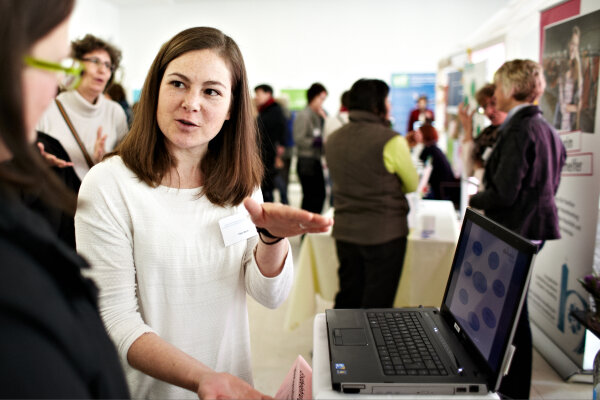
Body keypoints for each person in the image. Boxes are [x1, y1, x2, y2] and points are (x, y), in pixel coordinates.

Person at [75, 27, 333, 399]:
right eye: (178, 84)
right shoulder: (109, 185)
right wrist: (202, 378)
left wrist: (271, 237)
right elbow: (115, 318)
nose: (191, 103)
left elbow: (269, 295)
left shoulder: (240, 182)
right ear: (155, 91)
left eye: (211, 91)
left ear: (230, 109)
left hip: (229, 386)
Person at [0, 1, 129, 397]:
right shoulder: (20, 279)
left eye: (108, 65)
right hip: (55, 206)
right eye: (54, 66)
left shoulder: (115, 113)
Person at [469, 59, 566, 400]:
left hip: (513, 231)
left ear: (510, 89)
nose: (494, 95)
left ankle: (512, 390)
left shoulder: (520, 129)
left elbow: (504, 193)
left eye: (496, 87)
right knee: (514, 313)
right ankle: (512, 388)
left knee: (511, 318)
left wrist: (475, 196)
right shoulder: (546, 128)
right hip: (530, 230)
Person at [325, 79, 418, 308]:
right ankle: (372, 345)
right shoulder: (391, 140)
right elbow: (411, 184)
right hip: (384, 233)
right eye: (387, 99)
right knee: (377, 302)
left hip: (345, 231)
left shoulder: (333, 139)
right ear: (378, 105)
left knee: (348, 295)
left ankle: (338, 343)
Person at [37, 33, 128, 181]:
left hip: (99, 197)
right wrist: (40, 161)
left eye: (108, 65)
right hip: (59, 197)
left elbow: (126, 165)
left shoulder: (115, 112)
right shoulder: (48, 108)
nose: (102, 70)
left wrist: (106, 162)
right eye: (95, 61)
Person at [457, 83, 507, 179]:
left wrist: (479, 169)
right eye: (484, 107)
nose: (489, 111)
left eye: (493, 103)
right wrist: (468, 130)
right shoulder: (486, 134)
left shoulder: (514, 132)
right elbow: (468, 170)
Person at [293, 82, 328, 214]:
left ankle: (310, 231)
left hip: (315, 160)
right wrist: (317, 142)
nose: (322, 103)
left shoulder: (317, 116)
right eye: (321, 99)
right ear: (313, 97)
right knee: (311, 199)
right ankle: (305, 232)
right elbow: (299, 138)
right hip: (306, 162)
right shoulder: (304, 115)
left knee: (319, 197)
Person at [254, 84, 288, 203]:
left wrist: (280, 147)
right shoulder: (265, 110)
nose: (256, 97)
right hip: (265, 152)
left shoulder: (274, 110)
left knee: (270, 181)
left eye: (258, 94)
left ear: (268, 94)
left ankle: (276, 203)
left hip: (269, 153)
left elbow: (280, 131)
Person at [417, 124, 460, 206]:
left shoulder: (430, 150)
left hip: (441, 189)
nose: (416, 135)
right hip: (442, 187)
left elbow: (421, 163)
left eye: (419, 133)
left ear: (425, 134)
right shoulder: (433, 148)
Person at [554, 26, 583, 132]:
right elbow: (562, 106)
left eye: (576, 45)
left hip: (572, 123)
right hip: (561, 122)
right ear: (567, 43)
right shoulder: (561, 67)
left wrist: (579, 63)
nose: (573, 48)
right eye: (572, 43)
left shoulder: (577, 68)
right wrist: (575, 108)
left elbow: (580, 94)